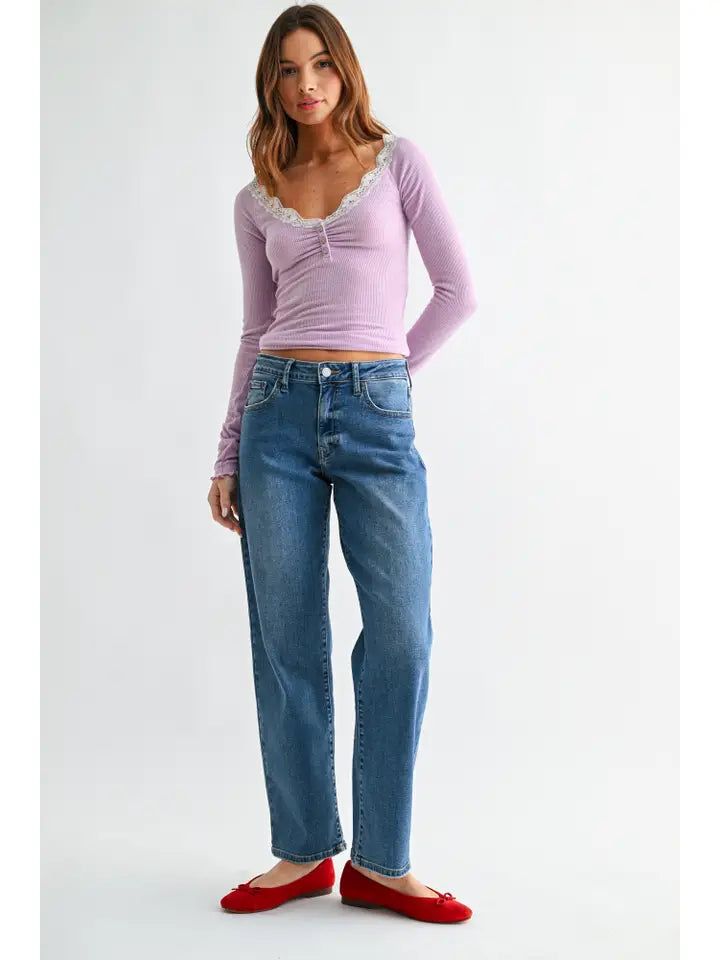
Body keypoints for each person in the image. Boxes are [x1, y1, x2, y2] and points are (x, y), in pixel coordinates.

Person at [208, 4, 477, 923]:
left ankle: (382, 862)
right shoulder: (257, 197)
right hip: (275, 415)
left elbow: (458, 291)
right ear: (271, 85)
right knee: (285, 640)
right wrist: (227, 450)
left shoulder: (398, 162)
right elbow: (255, 329)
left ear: (345, 69)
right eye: (288, 70)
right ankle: (302, 852)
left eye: (320, 63)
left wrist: (386, 376)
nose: (307, 83)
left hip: (376, 415)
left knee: (402, 633)